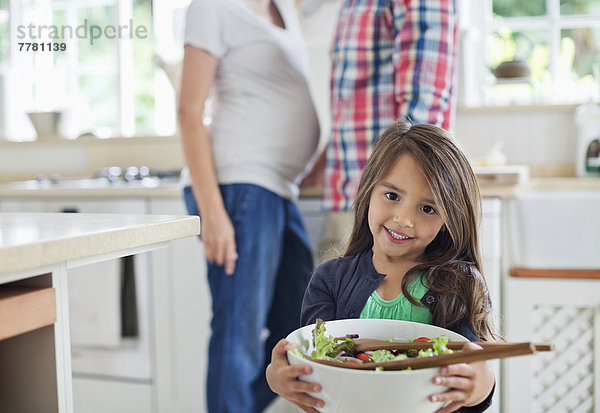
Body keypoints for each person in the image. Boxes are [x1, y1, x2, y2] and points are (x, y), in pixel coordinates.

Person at [266, 121, 498, 413]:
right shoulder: (329, 279)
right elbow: (314, 365)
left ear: (448, 220)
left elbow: (472, 373)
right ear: (368, 190)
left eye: (428, 208)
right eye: (392, 196)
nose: (403, 219)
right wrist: (279, 377)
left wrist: (481, 385)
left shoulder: (460, 284)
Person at [177, 0, 320, 412]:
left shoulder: (283, 9)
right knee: (237, 332)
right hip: (238, 187)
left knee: (298, 331)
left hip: (277, 189)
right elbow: (189, 111)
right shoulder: (211, 8)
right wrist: (213, 212)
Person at [301, 0, 458, 261]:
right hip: (348, 196)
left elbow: (422, 109)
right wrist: (323, 163)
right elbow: (355, 105)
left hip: (382, 209)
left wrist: (395, 206)